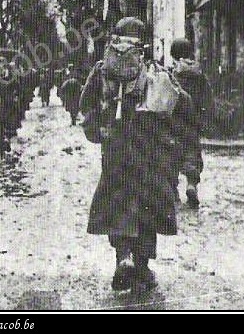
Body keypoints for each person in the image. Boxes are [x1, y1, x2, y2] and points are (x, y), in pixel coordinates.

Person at [80, 17, 190, 293]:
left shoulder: (103, 69)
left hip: (114, 148)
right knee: (147, 205)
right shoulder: (154, 70)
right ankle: (142, 266)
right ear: (144, 44)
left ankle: (123, 257)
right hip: (148, 151)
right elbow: (181, 105)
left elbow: (84, 101)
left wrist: (98, 126)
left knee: (117, 200)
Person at [169, 38, 214, 208]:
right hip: (192, 122)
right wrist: (205, 119)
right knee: (193, 154)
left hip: (174, 121)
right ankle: (191, 185)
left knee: (171, 154)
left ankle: (173, 190)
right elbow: (208, 100)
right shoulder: (199, 74)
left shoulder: (172, 73)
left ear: (173, 54)